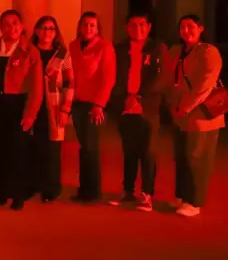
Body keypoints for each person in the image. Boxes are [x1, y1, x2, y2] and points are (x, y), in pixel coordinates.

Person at [109, 12, 168, 212]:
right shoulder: (119, 49)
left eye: (142, 24)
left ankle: (147, 194)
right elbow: (113, 76)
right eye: (133, 25)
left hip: (147, 108)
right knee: (129, 151)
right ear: (127, 28)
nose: (138, 28)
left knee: (148, 151)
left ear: (149, 26)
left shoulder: (157, 48)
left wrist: (139, 97)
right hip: (126, 107)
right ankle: (127, 191)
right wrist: (125, 99)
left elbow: (162, 77)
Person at [168, 15, 223, 217]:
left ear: (201, 28)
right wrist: (174, 106)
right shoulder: (177, 50)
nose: (186, 30)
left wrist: (187, 106)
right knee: (181, 157)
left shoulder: (208, 51)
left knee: (198, 159)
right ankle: (182, 196)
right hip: (180, 113)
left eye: (190, 26)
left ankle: (194, 201)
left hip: (202, 116)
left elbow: (206, 83)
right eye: (182, 27)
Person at [0, 10, 42, 210]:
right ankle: (3, 190)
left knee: (18, 151)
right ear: (1, 27)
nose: (11, 28)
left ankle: (18, 194)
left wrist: (30, 114)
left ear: (21, 26)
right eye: (6, 24)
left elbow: (37, 88)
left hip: (19, 105)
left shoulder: (30, 51)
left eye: (15, 23)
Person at [69, 11, 116, 204]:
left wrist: (99, 104)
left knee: (91, 148)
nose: (88, 28)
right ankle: (84, 189)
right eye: (85, 24)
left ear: (98, 29)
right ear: (79, 26)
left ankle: (92, 192)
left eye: (92, 25)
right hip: (77, 102)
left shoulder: (105, 47)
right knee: (84, 147)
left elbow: (108, 78)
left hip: (94, 104)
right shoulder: (73, 46)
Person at [29, 16, 74, 203]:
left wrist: (65, 109)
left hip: (54, 107)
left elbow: (70, 83)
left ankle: (51, 188)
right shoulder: (29, 52)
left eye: (51, 29)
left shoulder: (63, 54)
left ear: (56, 33)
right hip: (32, 105)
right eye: (44, 28)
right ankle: (33, 184)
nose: (47, 32)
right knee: (33, 146)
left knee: (52, 149)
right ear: (37, 31)